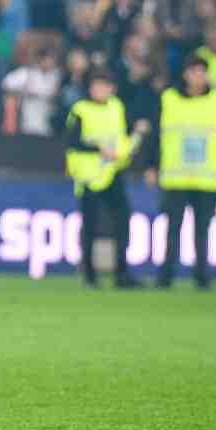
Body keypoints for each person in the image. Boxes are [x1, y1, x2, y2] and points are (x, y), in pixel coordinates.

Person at [146, 55, 216, 289]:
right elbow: (156, 135)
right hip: (176, 177)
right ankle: (165, 277)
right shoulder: (168, 99)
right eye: (194, 71)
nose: (198, 77)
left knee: (202, 232)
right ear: (185, 74)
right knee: (173, 230)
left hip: (207, 179)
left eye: (202, 72)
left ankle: (202, 277)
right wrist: (152, 165)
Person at [65, 69, 146, 290]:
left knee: (122, 220)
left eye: (104, 86)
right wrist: (99, 150)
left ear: (112, 89)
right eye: (96, 85)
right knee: (90, 225)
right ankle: (89, 274)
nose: (100, 90)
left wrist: (135, 138)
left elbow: (121, 139)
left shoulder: (116, 107)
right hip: (89, 175)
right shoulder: (80, 110)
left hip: (112, 172)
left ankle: (122, 272)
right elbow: (73, 141)